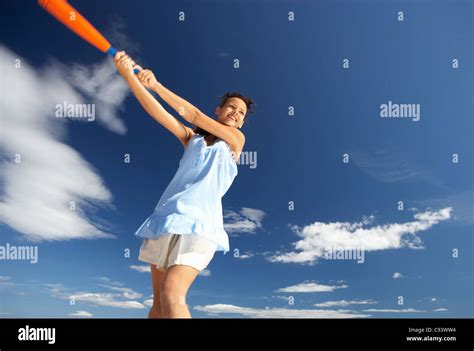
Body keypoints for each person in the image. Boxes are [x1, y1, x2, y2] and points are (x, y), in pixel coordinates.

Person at [114, 51, 254, 318]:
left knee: (172, 293)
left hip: (200, 225)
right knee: (157, 304)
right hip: (166, 219)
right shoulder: (192, 140)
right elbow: (159, 113)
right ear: (220, 109)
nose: (235, 113)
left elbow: (195, 115)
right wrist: (129, 77)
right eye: (231, 107)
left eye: (241, 112)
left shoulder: (236, 141)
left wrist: (156, 85)